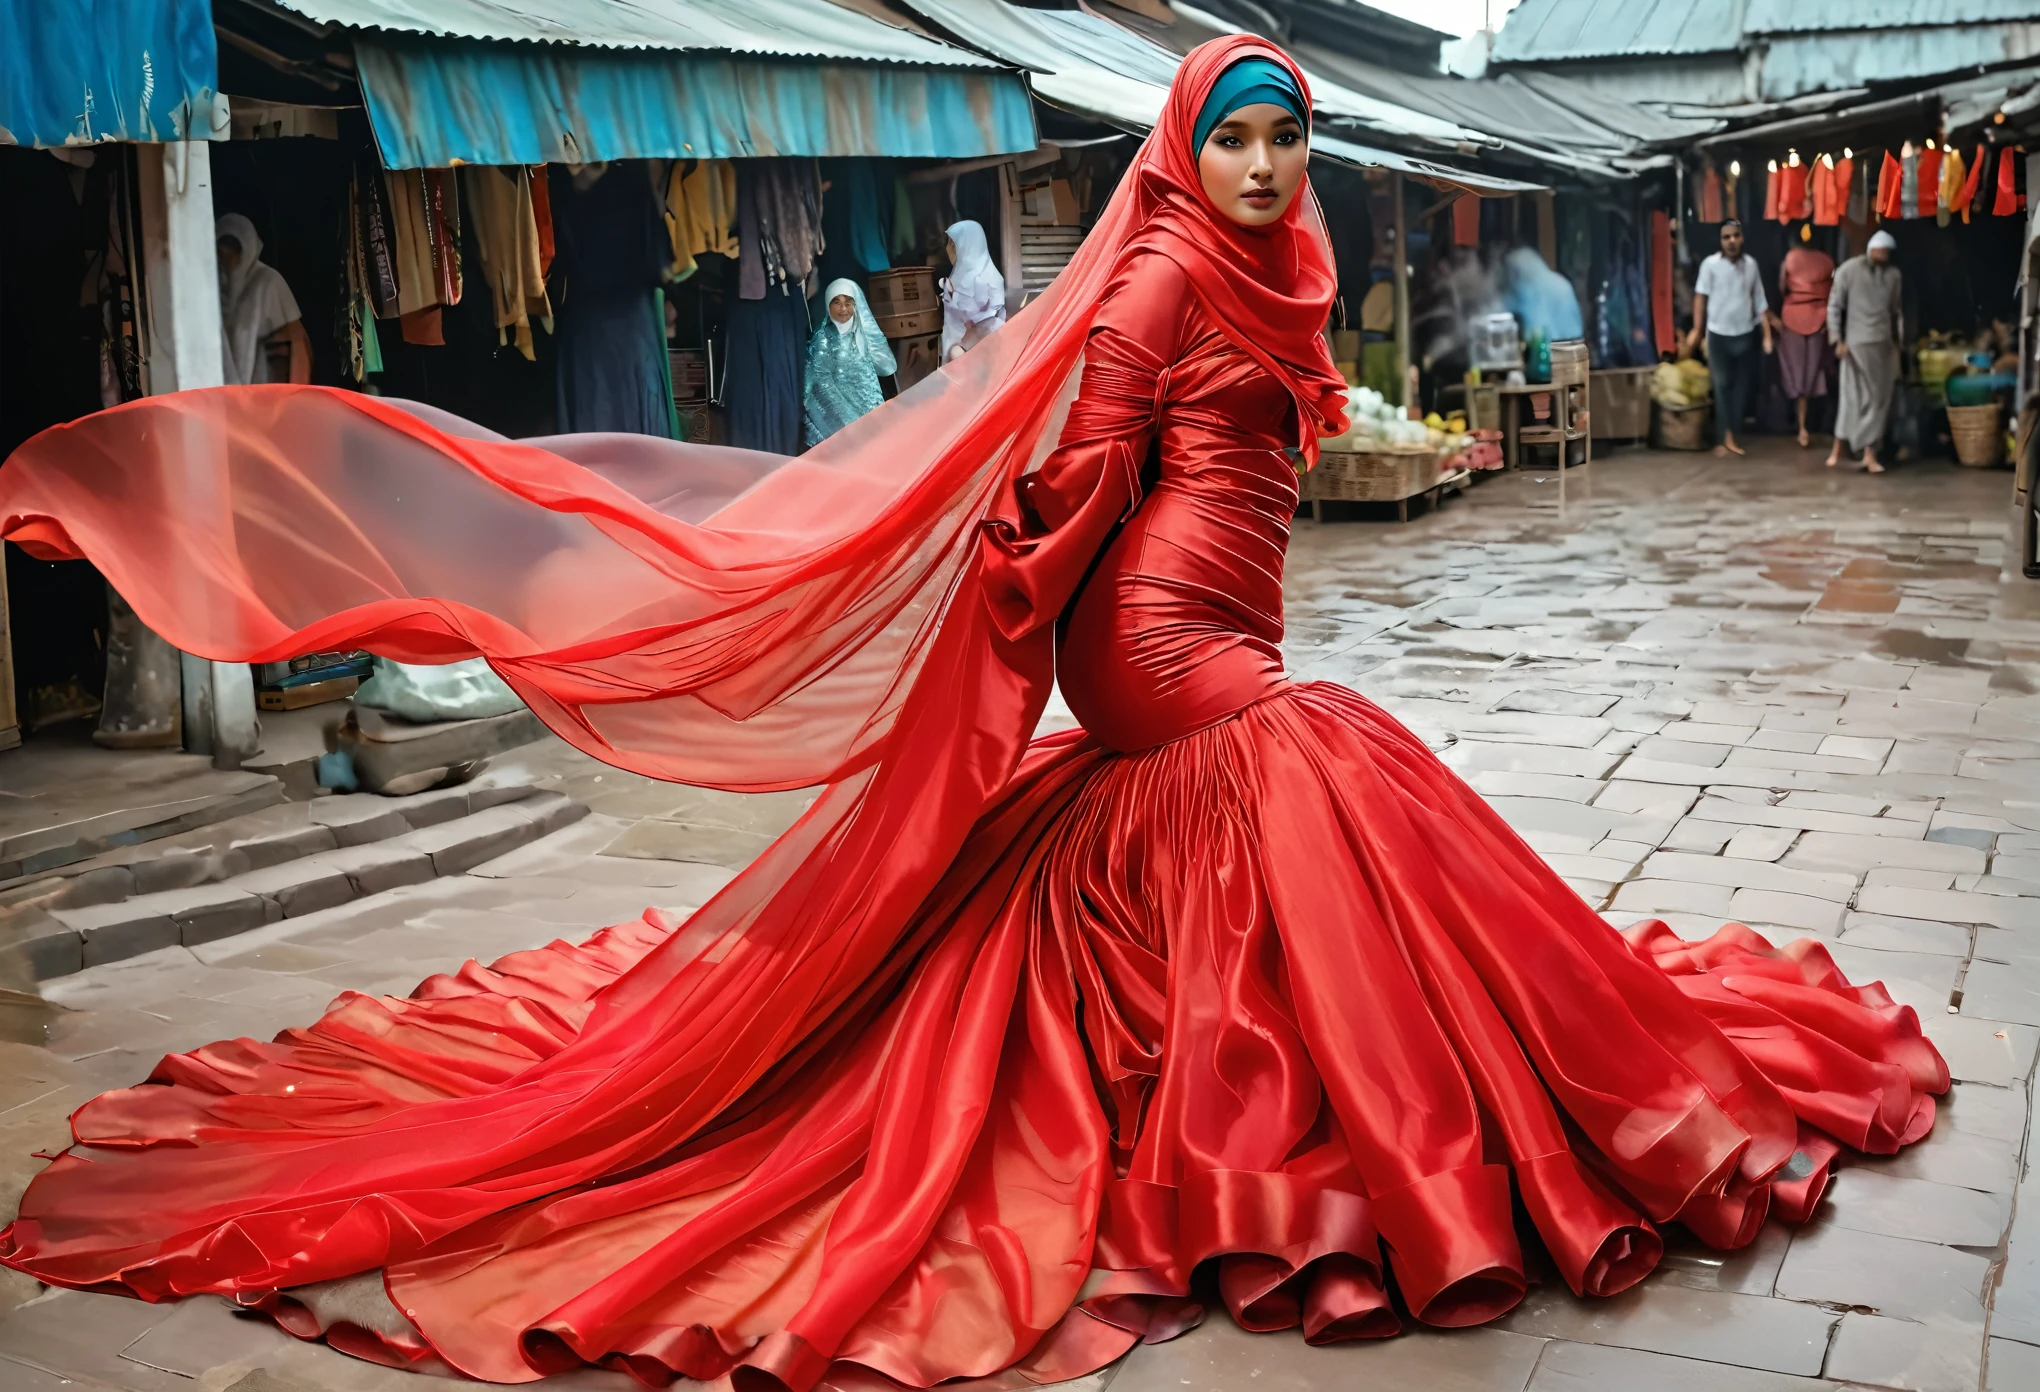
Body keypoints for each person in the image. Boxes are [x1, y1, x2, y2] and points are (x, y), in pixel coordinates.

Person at [0, 38, 1945, 1392]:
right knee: (1322, 784)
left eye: (1285, 137)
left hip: (1220, 628)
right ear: (1184, 152)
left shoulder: (1269, 271)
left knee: (1295, 835)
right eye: (1237, 136)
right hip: (1174, 651)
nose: (1263, 168)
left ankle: (1295, 1105)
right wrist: (991, 608)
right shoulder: (1166, 273)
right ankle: (1342, 1147)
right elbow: (1081, 472)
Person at [1683, 219, 1774, 456]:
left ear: (1742, 238)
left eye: (1735, 236)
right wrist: (1697, 329)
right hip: (1718, 333)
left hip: (1745, 332)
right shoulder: (1710, 265)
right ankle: (1724, 438)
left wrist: (1766, 334)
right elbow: (1700, 297)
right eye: (1726, 237)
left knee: (1741, 388)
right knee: (1721, 385)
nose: (1731, 241)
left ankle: (1731, 432)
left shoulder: (1751, 265)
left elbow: (1759, 299)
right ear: (1721, 241)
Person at [1826, 229, 1905, 474]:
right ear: (1871, 249)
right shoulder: (1848, 270)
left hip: (1881, 345)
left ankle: (1857, 452)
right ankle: (1851, 452)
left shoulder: (1893, 275)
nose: (1882, 256)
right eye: (1879, 252)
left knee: (1876, 399)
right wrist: (1837, 339)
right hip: (1855, 345)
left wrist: (1898, 345)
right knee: (1858, 398)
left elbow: (1896, 312)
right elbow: (1834, 306)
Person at [215, 213, 310, 386]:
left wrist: (294, 397)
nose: (228, 260)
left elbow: (297, 342)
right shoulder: (216, 292)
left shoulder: (268, 282)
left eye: (234, 252)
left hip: (268, 397)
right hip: (230, 400)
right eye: (221, 253)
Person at [803, 279, 896, 447]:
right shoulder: (823, 338)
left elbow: (887, 366)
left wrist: (866, 323)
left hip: (871, 413)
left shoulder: (861, 335)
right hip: (843, 422)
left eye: (848, 302)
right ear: (828, 305)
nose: (843, 309)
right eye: (836, 303)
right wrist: (849, 422)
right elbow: (820, 383)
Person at [1777, 226, 1835, 449]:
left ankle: (1802, 426)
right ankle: (1805, 425)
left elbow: (1781, 286)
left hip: (1795, 316)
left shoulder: (1790, 258)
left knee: (1797, 375)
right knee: (1810, 375)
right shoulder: (1827, 260)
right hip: (1818, 318)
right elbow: (1832, 290)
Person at [939, 218, 1005, 361]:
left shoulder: (983, 279)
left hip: (977, 353)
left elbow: (982, 320)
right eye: (949, 243)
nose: (948, 248)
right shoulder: (957, 277)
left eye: (953, 243)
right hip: (963, 350)